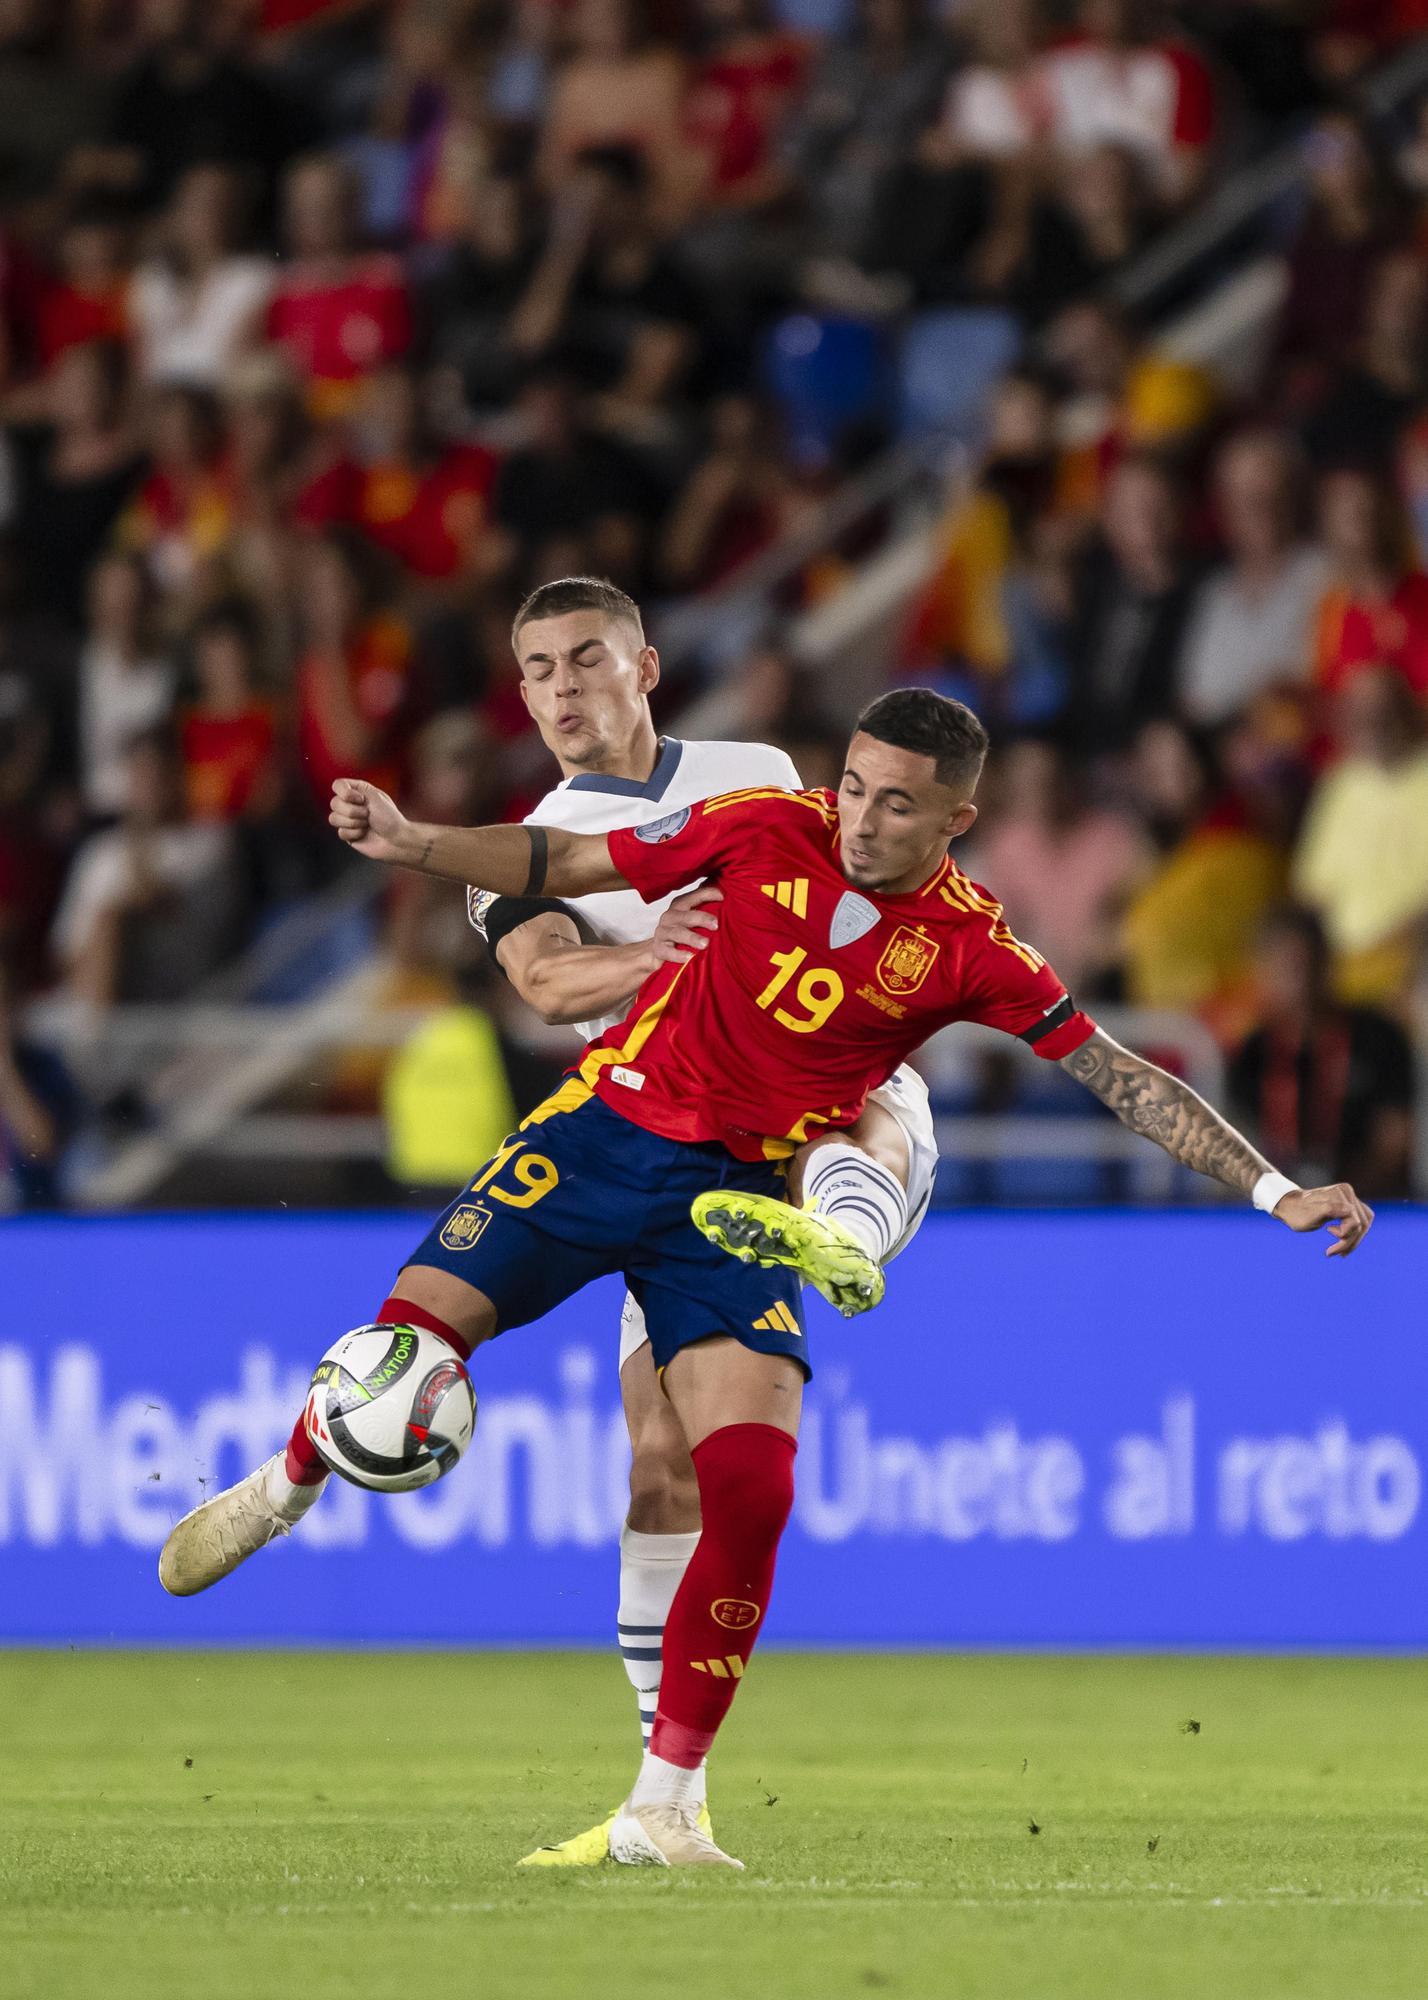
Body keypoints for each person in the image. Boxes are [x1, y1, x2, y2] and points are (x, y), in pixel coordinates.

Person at [159, 585, 1372, 1872]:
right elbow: (564, 870)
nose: (857, 816)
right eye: (851, 785)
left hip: (739, 1199)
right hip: (601, 1129)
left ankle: (665, 1806)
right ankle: (288, 1479)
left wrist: (1270, 1186)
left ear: (960, 821)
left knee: (751, 1481)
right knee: (413, 1342)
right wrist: (414, 842)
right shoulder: (760, 820)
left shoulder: (972, 947)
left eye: (896, 802)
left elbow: (1123, 1074)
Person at [461, 579, 939, 1865]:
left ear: (648, 665)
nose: (563, 689)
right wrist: (660, 952)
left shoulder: (759, 773)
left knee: (864, 1112)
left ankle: (851, 1218)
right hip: (670, 1152)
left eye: (586, 659)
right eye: (539, 670)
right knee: (658, 1457)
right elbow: (551, 982)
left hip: (812, 1090)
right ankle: (664, 1795)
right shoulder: (526, 849)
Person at [1229, 905, 1415, 1199]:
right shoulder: (1252, 1054)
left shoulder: (1378, 1038)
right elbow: (1234, 1149)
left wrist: (1339, 1198)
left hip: (1371, 1206)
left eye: (1306, 965)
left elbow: (1395, 1142)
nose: (1299, 982)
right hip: (1277, 1211)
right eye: (1286, 968)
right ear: (1262, 970)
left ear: (1327, 963)